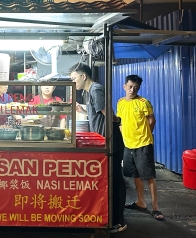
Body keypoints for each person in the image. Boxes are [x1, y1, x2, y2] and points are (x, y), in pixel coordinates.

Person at [69, 63, 127, 233]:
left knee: (115, 179)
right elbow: (96, 112)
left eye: (74, 79)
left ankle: (118, 220)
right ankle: (111, 216)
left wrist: (117, 120)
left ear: (83, 76)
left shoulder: (95, 89)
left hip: (111, 140)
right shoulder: (89, 92)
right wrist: (84, 110)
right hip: (103, 139)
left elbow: (106, 112)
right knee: (109, 179)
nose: (73, 82)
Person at [117, 75, 165, 221]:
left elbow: (152, 120)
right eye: (130, 86)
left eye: (136, 88)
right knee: (136, 174)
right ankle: (140, 202)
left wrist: (146, 135)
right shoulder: (120, 102)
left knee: (149, 175)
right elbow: (120, 121)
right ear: (124, 86)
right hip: (128, 144)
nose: (132, 90)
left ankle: (155, 207)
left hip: (143, 144)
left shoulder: (144, 102)